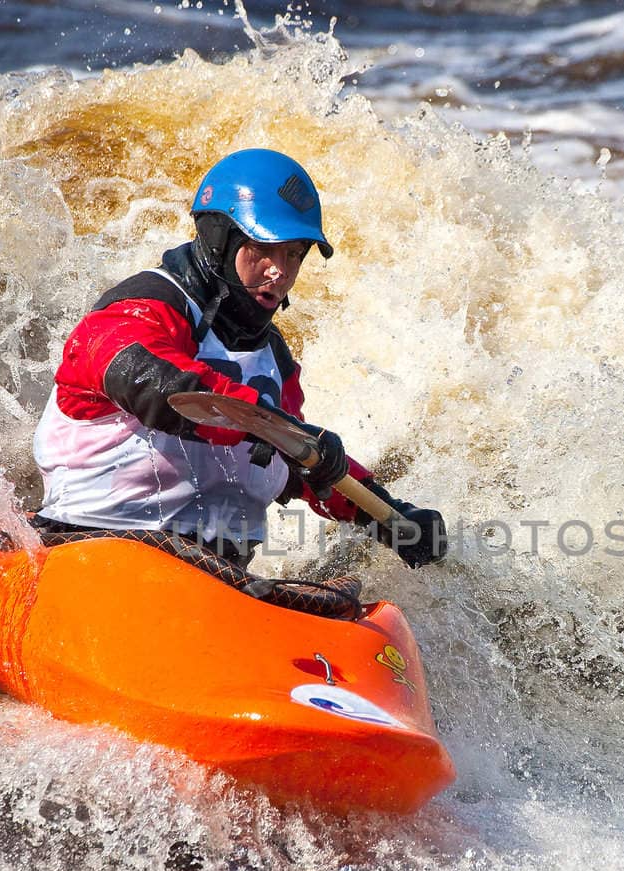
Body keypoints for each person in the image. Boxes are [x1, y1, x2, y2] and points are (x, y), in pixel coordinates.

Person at [31, 148, 447, 569]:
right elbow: (155, 385)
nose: (278, 271)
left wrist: (387, 515)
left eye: (294, 254)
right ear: (219, 238)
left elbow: (297, 466)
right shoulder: (142, 309)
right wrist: (271, 428)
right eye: (264, 247)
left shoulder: (274, 365)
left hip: (218, 582)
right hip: (90, 556)